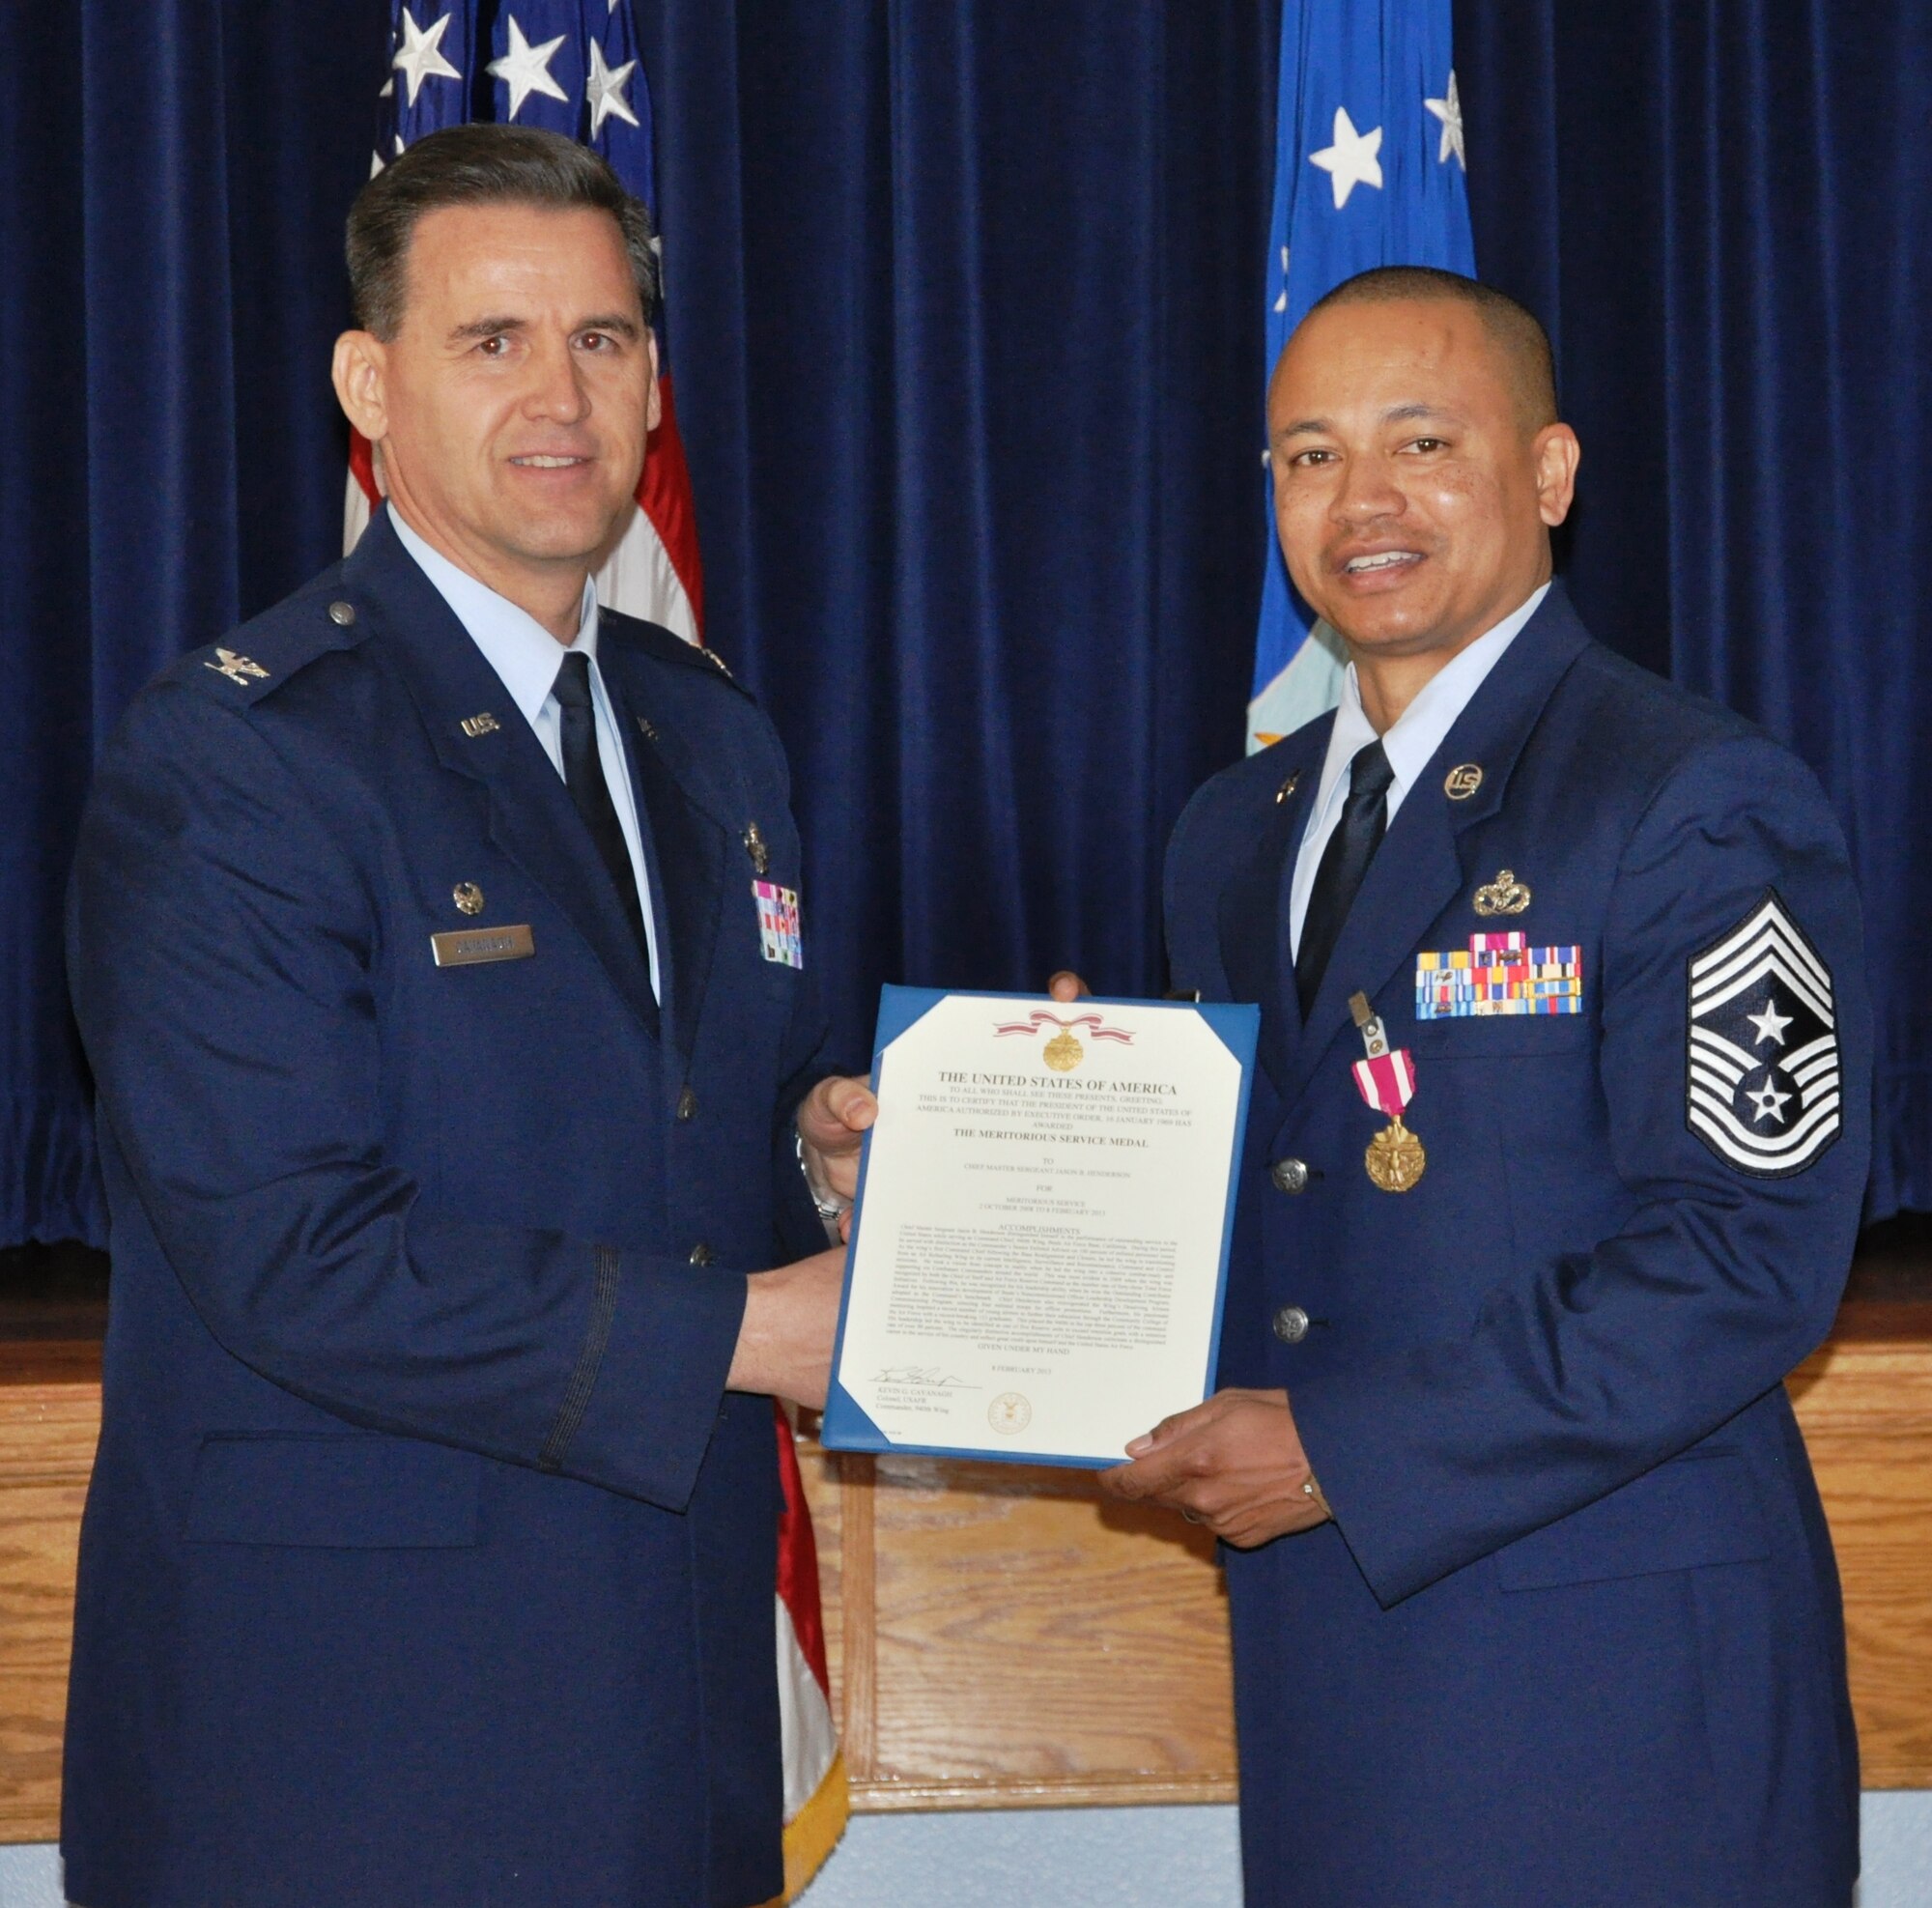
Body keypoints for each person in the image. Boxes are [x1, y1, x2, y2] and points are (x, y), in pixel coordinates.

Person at [62, 125, 865, 1908]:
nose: (560, 392)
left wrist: (815, 1152)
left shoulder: (709, 734)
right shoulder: (240, 755)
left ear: (656, 382)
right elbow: (286, 1250)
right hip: (351, 1750)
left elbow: (676, 1125)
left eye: (602, 337)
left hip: (669, 1716)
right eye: (490, 340)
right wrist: (746, 1332)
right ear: (371, 383)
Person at [1080, 267, 1871, 1904]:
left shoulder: (1690, 797)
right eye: (1308, 456)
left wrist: (1342, 1456)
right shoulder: (1232, 832)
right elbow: (1273, 1208)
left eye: (1422, 440)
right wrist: (1058, 1150)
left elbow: (1745, 1263)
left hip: (1619, 1710)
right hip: (1330, 1683)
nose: (1361, 501)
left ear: (1551, 474)